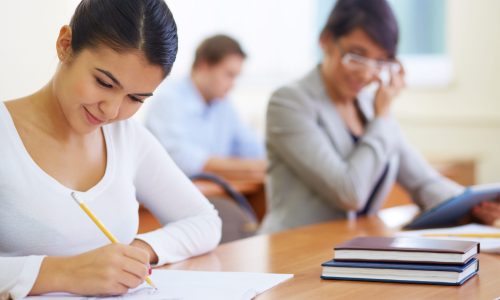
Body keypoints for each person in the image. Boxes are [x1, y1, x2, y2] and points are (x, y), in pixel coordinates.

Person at [0, 0, 221, 298]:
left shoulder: (126, 137)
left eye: (136, 98)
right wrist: (65, 272)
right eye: (104, 83)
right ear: (65, 45)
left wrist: (137, 253)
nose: (112, 110)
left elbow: (204, 221)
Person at [259, 0, 465, 234]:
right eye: (356, 55)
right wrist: (382, 116)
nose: (367, 73)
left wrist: (476, 205)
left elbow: (423, 182)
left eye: (380, 61)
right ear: (325, 40)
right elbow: (349, 192)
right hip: (292, 252)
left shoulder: (370, 107)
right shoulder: (289, 102)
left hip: (352, 250)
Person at [145, 34, 266, 180]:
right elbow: (181, 159)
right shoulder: (168, 99)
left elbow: (251, 147)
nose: (233, 84)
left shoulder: (223, 105)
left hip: (213, 190)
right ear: (203, 65)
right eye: (229, 74)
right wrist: (250, 168)